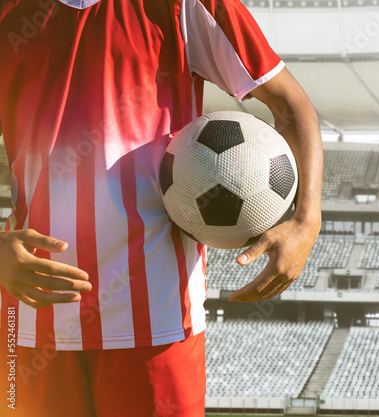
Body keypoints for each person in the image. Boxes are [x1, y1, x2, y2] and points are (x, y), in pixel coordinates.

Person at [0, 0, 323, 416]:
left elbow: (290, 103)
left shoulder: (186, 5)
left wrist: (306, 219)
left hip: (158, 319)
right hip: (27, 320)